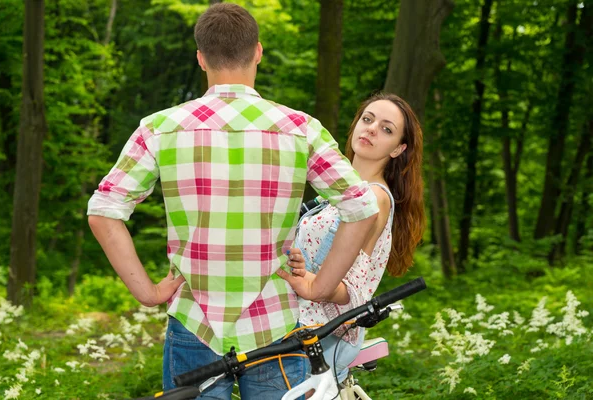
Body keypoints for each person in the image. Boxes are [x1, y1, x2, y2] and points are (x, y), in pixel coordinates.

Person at [86, 3, 379, 399]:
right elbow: (361, 207)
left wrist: (148, 292)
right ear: (257, 52)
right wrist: (321, 287)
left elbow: (104, 211)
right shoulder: (300, 129)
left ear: (201, 58)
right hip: (275, 325)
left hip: (193, 323)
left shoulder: (159, 128)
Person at [278, 93, 426, 383]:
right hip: (295, 323)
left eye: (387, 129)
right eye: (367, 119)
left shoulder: (374, 198)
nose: (371, 128)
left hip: (322, 336)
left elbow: (354, 290)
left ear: (398, 149)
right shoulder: (338, 192)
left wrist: (313, 285)